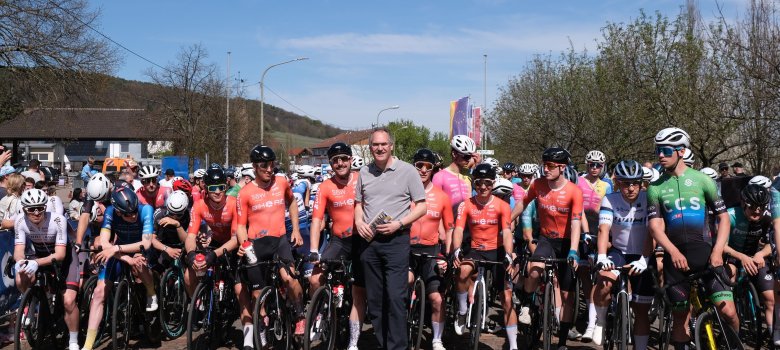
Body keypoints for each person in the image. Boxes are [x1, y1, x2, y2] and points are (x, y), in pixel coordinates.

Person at [646, 127, 736, 350]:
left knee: (728, 310)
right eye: (658, 150)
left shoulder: (703, 180)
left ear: (682, 151)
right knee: (680, 318)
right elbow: (655, 226)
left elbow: (723, 219)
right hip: (675, 259)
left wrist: (717, 251)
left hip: (706, 254)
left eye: (666, 150)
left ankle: (736, 345)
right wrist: (673, 252)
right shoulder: (655, 188)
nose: (660, 155)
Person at [354, 128, 427, 350]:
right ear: (370, 148)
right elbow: (358, 204)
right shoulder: (364, 173)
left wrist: (400, 223)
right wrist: (358, 222)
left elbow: (422, 206)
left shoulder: (408, 171)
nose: (380, 148)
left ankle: (398, 347)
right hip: (369, 243)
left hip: (396, 241)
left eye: (383, 144)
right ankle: (384, 343)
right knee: (375, 302)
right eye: (375, 145)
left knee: (396, 298)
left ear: (391, 145)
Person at [510, 147, 584, 350]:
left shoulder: (574, 191)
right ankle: (526, 304)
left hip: (567, 242)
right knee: (534, 268)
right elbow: (522, 203)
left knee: (568, 296)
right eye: (544, 164)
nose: (545, 169)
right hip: (546, 240)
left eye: (550, 166)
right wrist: (507, 221)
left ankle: (561, 342)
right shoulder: (538, 184)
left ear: (562, 168)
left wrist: (573, 251)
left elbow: (576, 222)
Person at [236, 145, 305, 348]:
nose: (269, 169)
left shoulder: (282, 182)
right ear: (255, 167)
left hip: (279, 239)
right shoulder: (245, 193)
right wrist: (244, 244)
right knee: (257, 294)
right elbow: (240, 226)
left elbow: (292, 202)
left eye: (272, 164)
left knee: (289, 278)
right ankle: (263, 329)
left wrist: (296, 229)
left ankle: (300, 313)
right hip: (255, 243)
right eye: (264, 165)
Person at [81, 186, 156, 350]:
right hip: (120, 253)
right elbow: (105, 242)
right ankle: (88, 344)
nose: (134, 215)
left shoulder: (146, 210)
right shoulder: (110, 211)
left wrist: (117, 249)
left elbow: (146, 243)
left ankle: (151, 291)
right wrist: (124, 256)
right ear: (118, 212)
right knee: (99, 293)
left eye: (135, 210)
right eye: (128, 214)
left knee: (140, 264)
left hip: (138, 249)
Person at [452, 164, 517, 350]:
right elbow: (458, 229)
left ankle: (513, 345)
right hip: (475, 249)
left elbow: (506, 232)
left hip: (495, 251)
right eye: (479, 183)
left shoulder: (502, 206)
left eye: (487, 183)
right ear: (474, 183)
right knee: (463, 271)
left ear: (493, 184)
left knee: (507, 297)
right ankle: (463, 311)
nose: (483, 187)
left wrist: (508, 254)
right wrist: (456, 249)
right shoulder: (466, 204)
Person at [307, 142, 366, 350]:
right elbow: (316, 219)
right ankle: (321, 311)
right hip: (339, 241)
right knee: (315, 278)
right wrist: (314, 250)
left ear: (350, 159)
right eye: (335, 160)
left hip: (362, 241)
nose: (340, 163)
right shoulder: (325, 187)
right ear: (330, 163)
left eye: (343, 158)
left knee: (359, 291)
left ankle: (353, 341)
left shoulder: (363, 179)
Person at [592, 160, 654, 350]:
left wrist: (644, 260)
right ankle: (601, 321)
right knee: (604, 282)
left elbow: (653, 231)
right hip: (619, 252)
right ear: (617, 182)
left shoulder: (648, 198)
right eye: (626, 183)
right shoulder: (610, 199)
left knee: (641, 310)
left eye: (635, 182)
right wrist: (602, 256)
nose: (631, 188)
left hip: (643, 253)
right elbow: (604, 229)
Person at [13, 189, 82, 350]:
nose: (36, 213)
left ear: (45, 207)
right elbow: (19, 250)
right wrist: (20, 261)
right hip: (41, 256)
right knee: (20, 277)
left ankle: (73, 341)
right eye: (31, 209)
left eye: (40, 208)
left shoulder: (58, 220)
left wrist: (36, 262)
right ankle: (29, 306)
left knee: (69, 301)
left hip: (64, 258)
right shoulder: (20, 221)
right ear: (24, 209)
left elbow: (60, 255)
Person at [408, 148, 453, 350]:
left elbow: (449, 229)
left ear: (434, 169)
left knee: (436, 298)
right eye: (419, 165)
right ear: (414, 166)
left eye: (428, 166)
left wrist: (448, 255)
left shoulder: (442, 197)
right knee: (404, 286)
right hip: (407, 249)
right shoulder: (403, 191)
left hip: (432, 251)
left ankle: (436, 339)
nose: (424, 170)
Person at [723, 184, 776, 344]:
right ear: (743, 203)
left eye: (761, 207)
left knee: (770, 298)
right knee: (731, 275)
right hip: (732, 255)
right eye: (753, 207)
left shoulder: (767, 218)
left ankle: (774, 338)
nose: (757, 211)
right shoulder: (731, 216)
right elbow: (722, 245)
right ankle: (730, 321)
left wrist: (760, 253)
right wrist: (741, 257)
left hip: (755, 256)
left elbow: (770, 243)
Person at [184, 164, 238, 299]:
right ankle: (197, 305)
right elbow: (190, 236)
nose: (218, 191)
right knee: (188, 275)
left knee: (240, 287)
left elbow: (235, 239)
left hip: (234, 244)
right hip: (216, 241)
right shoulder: (199, 205)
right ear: (206, 189)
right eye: (213, 188)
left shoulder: (234, 204)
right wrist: (191, 255)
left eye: (222, 187)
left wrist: (213, 255)